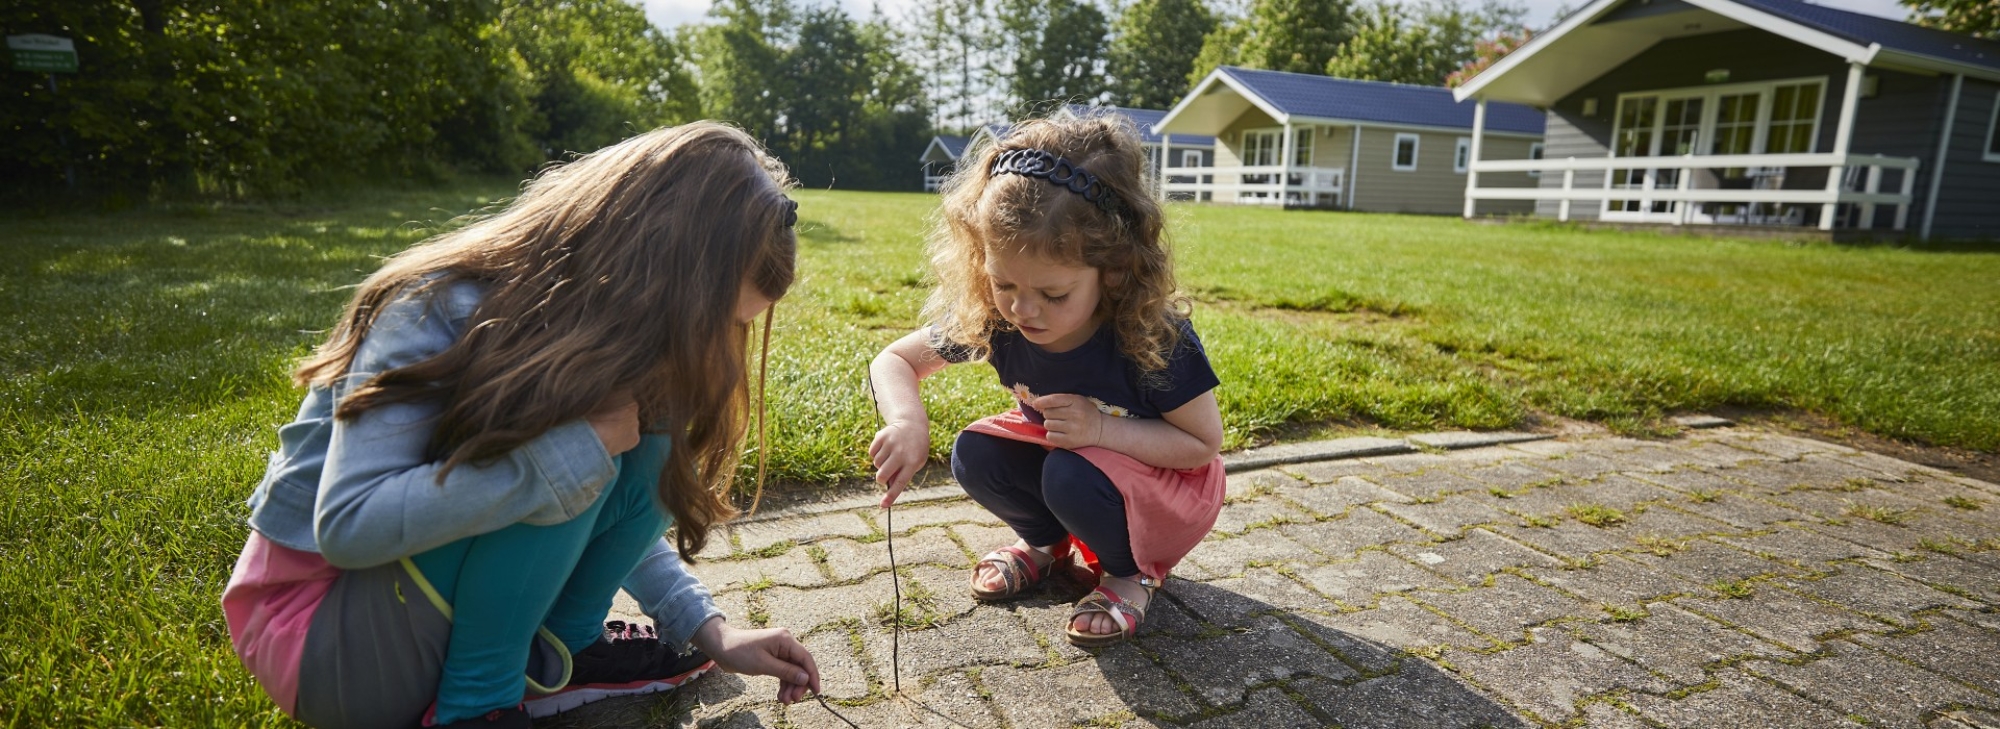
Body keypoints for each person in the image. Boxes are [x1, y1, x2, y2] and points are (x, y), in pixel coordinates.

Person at [221, 122, 821, 729]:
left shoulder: (592, 332)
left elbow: (611, 489)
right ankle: (478, 706)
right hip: (323, 639)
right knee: (582, 448)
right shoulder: (434, 308)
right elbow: (349, 525)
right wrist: (568, 459)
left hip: (402, 615)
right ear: (652, 265)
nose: (706, 344)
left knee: (645, 439)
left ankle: (565, 650)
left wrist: (708, 627)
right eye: (705, 320)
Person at [866, 115, 1227, 648]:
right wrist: (906, 419)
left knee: (1068, 474)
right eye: (1003, 281)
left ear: (1115, 270)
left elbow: (1202, 448)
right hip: (1074, 456)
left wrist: (1102, 431)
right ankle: (1045, 545)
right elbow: (893, 361)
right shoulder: (998, 315)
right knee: (976, 453)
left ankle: (1130, 575)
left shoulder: (1152, 337)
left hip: (1163, 490)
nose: (1023, 308)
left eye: (1054, 295)